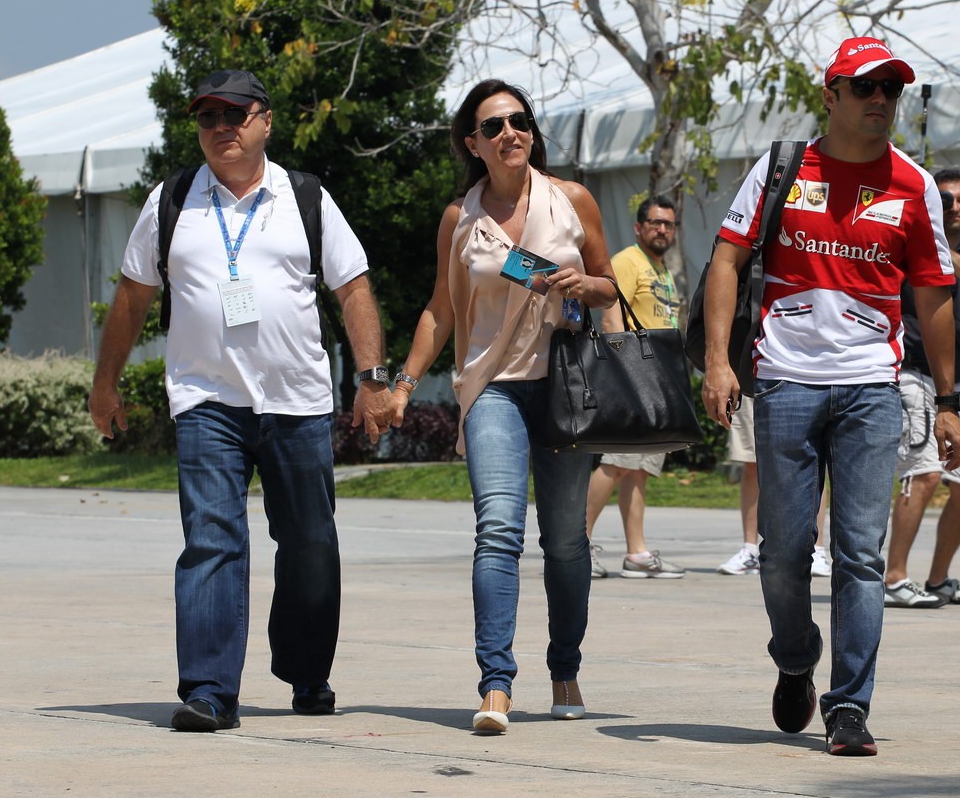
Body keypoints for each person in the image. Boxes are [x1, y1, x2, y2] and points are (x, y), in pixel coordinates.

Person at [89, 69, 396, 732]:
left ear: (266, 120)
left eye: (234, 114)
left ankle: (307, 671)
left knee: (310, 542)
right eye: (207, 118)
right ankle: (208, 689)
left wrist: (371, 378)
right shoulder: (171, 201)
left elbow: (354, 288)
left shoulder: (307, 197)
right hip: (206, 400)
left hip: (298, 401)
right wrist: (104, 382)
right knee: (211, 541)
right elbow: (133, 295)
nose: (221, 128)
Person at [700, 37, 960, 756]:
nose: (880, 101)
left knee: (859, 553)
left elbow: (935, 297)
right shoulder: (783, 167)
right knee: (783, 553)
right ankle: (795, 656)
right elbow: (726, 257)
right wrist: (717, 361)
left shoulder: (913, 186)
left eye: (892, 90)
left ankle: (849, 704)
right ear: (833, 93)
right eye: (865, 88)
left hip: (871, 391)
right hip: (784, 383)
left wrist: (948, 397)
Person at [390, 79, 618, 734]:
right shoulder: (460, 219)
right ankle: (495, 684)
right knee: (497, 529)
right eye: (494, 126)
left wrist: (585, 283)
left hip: (565, 384)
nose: (510, 132)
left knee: (567, 540)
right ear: (473, 143)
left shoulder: (571, 200)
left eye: (520, 120)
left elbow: (608, 286)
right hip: (491, 391)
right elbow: (440, 307)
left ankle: (566, 666)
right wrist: (405, 382)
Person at [885, 168, 960, 608]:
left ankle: (938, 579)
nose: (954, 206)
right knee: (925, 473)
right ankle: (895, 578)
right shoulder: (906, 250)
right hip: (915, 376)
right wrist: (924, 246)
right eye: (944, 198)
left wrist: (942, 254)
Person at [585, 195, 687, 580]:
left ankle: (637, 553)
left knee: (640, 468)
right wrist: (624, 375)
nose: (663, 229)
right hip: (633, 379)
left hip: (659, 382)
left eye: (669, 224)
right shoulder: (628, 261)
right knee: (616, 462)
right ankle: (578, 545)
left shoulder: (661, 269)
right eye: (655, 223)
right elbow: (611, 315)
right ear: (639, 227)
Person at [716, 395, 831, 577]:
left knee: (813, 461)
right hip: (751, 379)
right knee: (751, 460)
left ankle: (816, 550)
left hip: (799, 379)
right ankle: (749, 550)